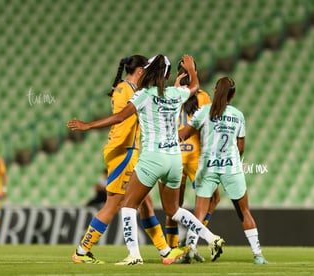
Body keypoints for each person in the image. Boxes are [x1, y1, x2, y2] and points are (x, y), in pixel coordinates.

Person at [68, 54, 225, 265]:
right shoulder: (174, 93)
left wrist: (88, 125)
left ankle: (127, 254)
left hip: (150, 158)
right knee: (170, 210)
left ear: (148, 71)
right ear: (168, 75)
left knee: (126, 205)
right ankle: (206, 239)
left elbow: (120, 117)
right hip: (173, 159)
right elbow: (195, 86)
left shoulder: (143, 94)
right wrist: (191, 70)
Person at [179, 77, 268, 264]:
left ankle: (190, 250)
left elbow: (184, 135)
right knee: (244, 212)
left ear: (214, 91)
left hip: (207, 166)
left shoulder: (203, 112)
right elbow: (241, 146)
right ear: (233, 95)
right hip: (231, 166)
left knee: (199, 212)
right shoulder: (238, 115)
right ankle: (258, 255)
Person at [164, 60, 221, 263]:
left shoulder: (169, 94)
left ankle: (173, 249)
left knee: (173, 207)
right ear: (194, 72)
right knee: (212, 199)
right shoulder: (202, 96)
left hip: (173, 155)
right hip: (196, 157)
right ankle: (191, 243)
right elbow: (207, 125)